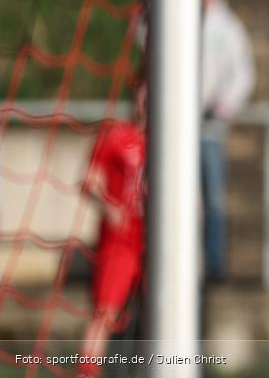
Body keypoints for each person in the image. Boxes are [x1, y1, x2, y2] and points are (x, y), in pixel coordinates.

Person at [76, 80, 147, 378]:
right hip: (120, 241)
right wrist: (110, 206)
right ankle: (86, 372)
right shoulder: (117, 135)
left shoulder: (172, 143)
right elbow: (88, 181)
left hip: (155, 242)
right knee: (105, 312)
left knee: (158, 314)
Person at [200, 0, 255, 281]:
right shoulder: (179, 19)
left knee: (214, 199)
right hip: (177, 127)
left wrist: (222, 107)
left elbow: (243, 74)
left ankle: (214, 265)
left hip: (209, 127)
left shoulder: (228, 27)